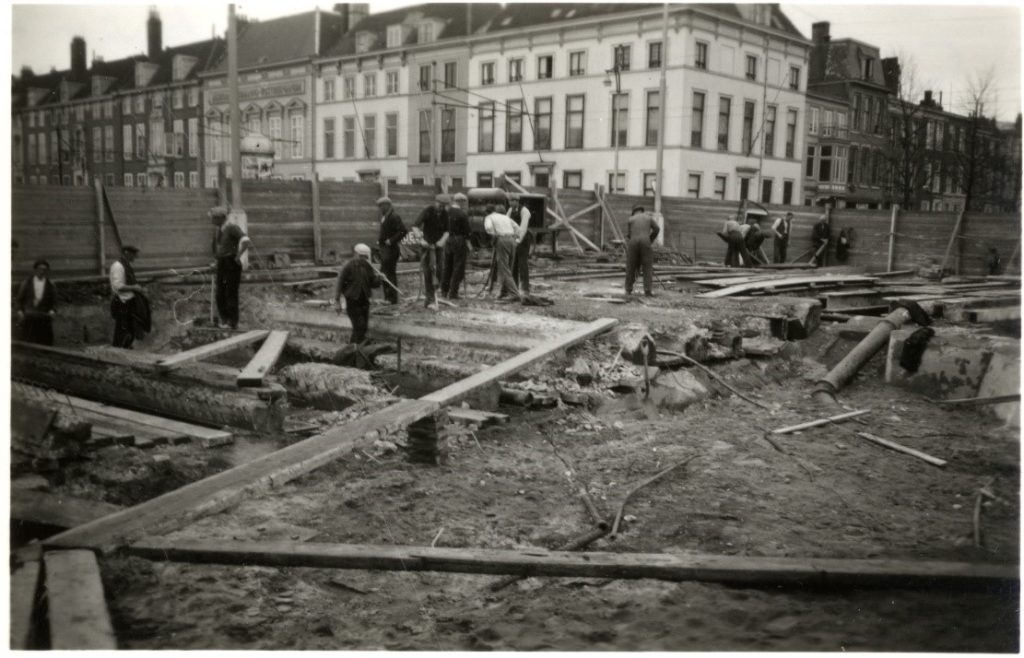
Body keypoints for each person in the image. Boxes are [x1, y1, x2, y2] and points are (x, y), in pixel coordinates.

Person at [210, 206, 251, 329]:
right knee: (220, 294)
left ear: (221, 218)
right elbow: (218, 249)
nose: (211, 220)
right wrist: (215, 262)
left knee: (230, 293)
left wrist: (238, 256)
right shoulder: (218, 230)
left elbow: (246, 240)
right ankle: (224, 320)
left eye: (213, 218)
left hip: (231, 263)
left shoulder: (232, 228)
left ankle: (232, 323)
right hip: (222, 263)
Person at [334, 243, 381, 344]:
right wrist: (337, 301)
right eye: (362, 256)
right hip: (352, 301)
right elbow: (339, 284)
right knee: (359, 326)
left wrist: (380, 279)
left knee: (363, 328)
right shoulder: (348, 266)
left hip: (364, 300)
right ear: (356, 255)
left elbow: (373, 283)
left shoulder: (368, 267)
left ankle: (356, 348)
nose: (364, 259)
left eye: (365, 257)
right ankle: (354, 349)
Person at [414, 194, 449, 310]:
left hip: (438, 247)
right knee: (428, 272)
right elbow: (415, 226)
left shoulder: (445, 214)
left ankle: (432, 294)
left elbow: (447, 231)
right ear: (435, 202)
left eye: (444, 206)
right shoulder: (428, 211)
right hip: (427, 247)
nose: (441, 208)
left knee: (439, 271)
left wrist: (442, 241)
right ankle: (429, 299)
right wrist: (421, 239)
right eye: (440, 205)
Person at [109, 244, 147, 348]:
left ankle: (126, 348)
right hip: (122, 302)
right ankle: (117, 350)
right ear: (127, 253)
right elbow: (117, 286)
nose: (135, 257)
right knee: (122, 328)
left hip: (129, 301)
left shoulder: (126, 265)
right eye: (133, 254)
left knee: (131, 327)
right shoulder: (118, 266)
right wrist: (134, 288)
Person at [484, 203, 523, 301]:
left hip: (501, 239)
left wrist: (493, 236)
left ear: (487, 212)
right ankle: (503, 292)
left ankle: (514, 294)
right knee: (508, 268)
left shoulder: (489, 217)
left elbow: (488, 228)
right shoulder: (505, 217)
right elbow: (518, 228)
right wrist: (517, 239)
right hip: (512, 240)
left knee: (504, 269)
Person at [15, 258, 57, 345]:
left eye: (44, 269)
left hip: (43, 316)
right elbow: (19, 300)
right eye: (40, 269)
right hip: (29, 315)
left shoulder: (50, 284)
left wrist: (53, 310)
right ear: (35, 270)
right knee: (28, 341)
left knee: (45, 342)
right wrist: (19, 311)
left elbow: (54, 302)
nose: (42, 271)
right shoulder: (27, 283)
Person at [376, 196, 407, 304]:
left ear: (388, 205)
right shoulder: (385, 217)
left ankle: (391, 299)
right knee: (385, 273)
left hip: (391, 250)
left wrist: (391, 240)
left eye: (382, 206)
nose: (380, 208)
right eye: (379, 206)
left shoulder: (394, 216)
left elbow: (403, 231)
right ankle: (388, 298)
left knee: (388, 274)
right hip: (385, 249)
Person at [624, 204, 660, 297]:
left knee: (630, 266)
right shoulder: (648, 218)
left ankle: (628, 290)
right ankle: (647, 291)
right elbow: (657, 229)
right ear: (642, 210)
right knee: (647, 267)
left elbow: (629, 235)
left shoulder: (630, 219)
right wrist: (650, 239)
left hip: (633, 243)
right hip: (645, 242)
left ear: (634, 212)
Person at [441, 193, 471, 300]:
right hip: (458, 240)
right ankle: (453, 293)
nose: (464, 204)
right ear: (461, 201)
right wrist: (468, 243)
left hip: (447, 240)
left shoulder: (446, 212)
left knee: (447, 266)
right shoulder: (462, 214)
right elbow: (467, 231)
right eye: (464, 202)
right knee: (458, 267)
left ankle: (444, 291)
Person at [508, 195, 533, 295]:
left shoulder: (524, 211)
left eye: (512, 201)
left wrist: (518, 240)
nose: (510, 204)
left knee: (523, 264)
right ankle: (514, 289)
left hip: (523, 240)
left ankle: (525, 289)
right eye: (509, 201)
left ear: (517, 201)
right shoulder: (510, 210)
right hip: (513, 239)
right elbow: (506, 221)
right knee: (513, 264)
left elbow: (523, 227)